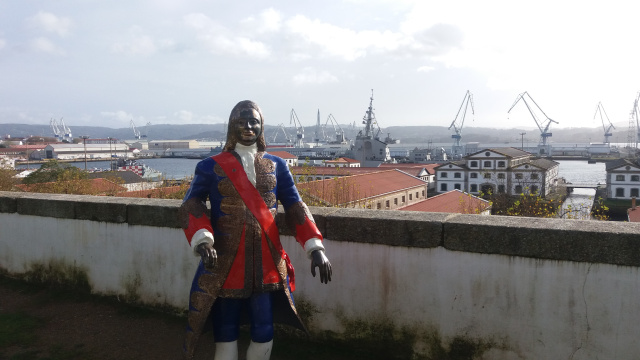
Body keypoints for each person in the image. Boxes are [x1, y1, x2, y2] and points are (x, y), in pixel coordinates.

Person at [178, 100, 332, 360]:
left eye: (254, 122)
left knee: (264, 327)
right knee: (225, 328)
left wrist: (315, 247)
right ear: (231, 126)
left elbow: (295, 207)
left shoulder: (278, 166)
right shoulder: (208, 167)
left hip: (267, 263)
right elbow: (191, 204)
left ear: (261, 127)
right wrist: (203, 239)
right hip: (225, 262)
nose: (248, 127)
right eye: (241, 122)